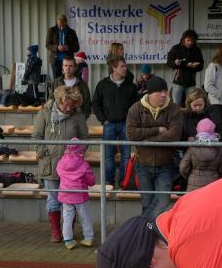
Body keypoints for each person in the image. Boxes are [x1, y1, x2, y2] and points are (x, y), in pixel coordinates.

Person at [32, 86, 88, 243]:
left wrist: (77, 155)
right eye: (66, 104)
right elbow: (36, 136)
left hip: (72, 168)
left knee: (72, 200)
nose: (69, 108)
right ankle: (56, 232)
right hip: (50, 164)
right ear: (58, 100)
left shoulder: (78, 116)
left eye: (72, 105)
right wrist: (44, 153)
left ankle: (68, 231)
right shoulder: (44, 113)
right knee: (53, 200)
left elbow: (85, 138)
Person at [126, 76, 183, 219]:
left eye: (165, 91)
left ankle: (143, 225)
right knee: (147, 203)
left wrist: (146, 139)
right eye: (159, 92)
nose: (164, 95)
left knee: (162, 202)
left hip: (166, 164)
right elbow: (131, 134)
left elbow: (174, 135)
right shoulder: (135, 109)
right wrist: (157, 130)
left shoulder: (174, 109)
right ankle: (148, 230)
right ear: (150, 94)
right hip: (143, 164)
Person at [92, 55, 139, 187]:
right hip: (109, 124)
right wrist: (103, 119)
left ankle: (124, 182)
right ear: (114, 68)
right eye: (122, 66)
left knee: (126, 155)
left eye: (125, 66)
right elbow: (95, 103)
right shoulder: (103, 84)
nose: (125, 69)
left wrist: (131, 120)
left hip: (126, 124)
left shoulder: (131, 86)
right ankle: (108, 182)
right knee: (108, 155)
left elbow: (137, 105)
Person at [56, 138, 96, 249]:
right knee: (85, 217)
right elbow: (91, 181)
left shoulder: (61, 162)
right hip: (80, 195)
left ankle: (68, 240)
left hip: (66, 195)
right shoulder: (83, 164)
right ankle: (88, 238)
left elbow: (58, 172)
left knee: (67, 218)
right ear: (80, 149)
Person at [179, 118, 222, 192]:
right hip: (213, 181)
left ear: (198, 130)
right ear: (213, 131)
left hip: (194, 181)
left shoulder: (192, 147)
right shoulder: (218, 148)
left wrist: (191, 175)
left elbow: (183, 167)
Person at [166, 29, 204, 106]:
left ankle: (189, 114)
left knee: (191, 103)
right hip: (178, 82)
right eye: (188, 40)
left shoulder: (197, 50)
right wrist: (175, 63)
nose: (190, 42)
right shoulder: (176, 48)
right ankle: (176, 114)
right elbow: (169, 63)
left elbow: (201, 65)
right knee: (176, 104)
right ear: (183, 40)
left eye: (192, 41)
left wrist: (196, 66)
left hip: (191, 82)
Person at [46, 14, 80, 79]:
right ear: (57, 23)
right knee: (57, 80)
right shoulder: (51, 30)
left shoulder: (72, 32)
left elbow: (77, 47)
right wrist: (57, 47)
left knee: (69, 79)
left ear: (66, 23)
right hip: (56, 60)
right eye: (59, 26)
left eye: (63, 26)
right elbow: (48, 45)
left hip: (68, 61)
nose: (61, 28)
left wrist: (68, 48)